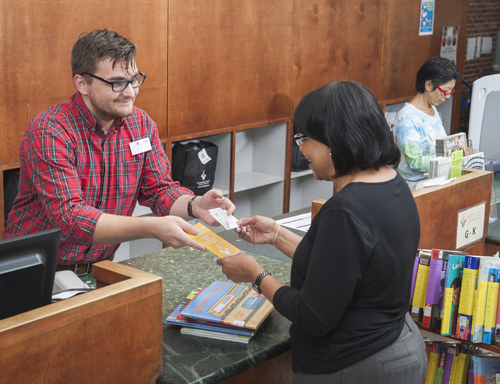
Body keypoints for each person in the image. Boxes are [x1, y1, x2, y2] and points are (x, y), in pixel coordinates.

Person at [217, 81, 427, 383]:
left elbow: (313, 317)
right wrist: (276, 234)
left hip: (356, 364)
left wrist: (255, 273)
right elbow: (342, 265)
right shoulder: (391, 182)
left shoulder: (345, 210)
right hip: (399, 344)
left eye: (303, 138)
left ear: (333, 139)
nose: (300, 149)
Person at [2, 29, 234, 272]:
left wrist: (195, 205)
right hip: (34, 266)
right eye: (116, 83)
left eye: (134, 79)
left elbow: (159, 190)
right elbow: (72, 219)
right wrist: (151, 228)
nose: (130, 92)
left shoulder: (141, 124)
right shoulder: (50, 130)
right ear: (82, 83)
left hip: (100, 265)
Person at [394, 56, 461, 178]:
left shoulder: (432, 110)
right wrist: (453, 159)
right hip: (416, 186)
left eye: (451, 91)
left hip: (436, 179)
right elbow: (415, 162)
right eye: (445, 91)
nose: (447, 96)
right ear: (428, 85)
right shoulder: (407, 118)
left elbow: (441, 148)